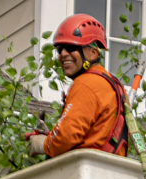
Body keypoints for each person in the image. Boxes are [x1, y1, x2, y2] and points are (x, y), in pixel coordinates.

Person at [25, 14, 129, 158]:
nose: (63, 54)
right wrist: (50, 137)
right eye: (60, 49)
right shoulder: (114, 85)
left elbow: (66, 137)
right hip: (107, 169)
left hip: (89, 170)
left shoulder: (87, 83)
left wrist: (43, 143)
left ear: (93, 53)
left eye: (71, 47)